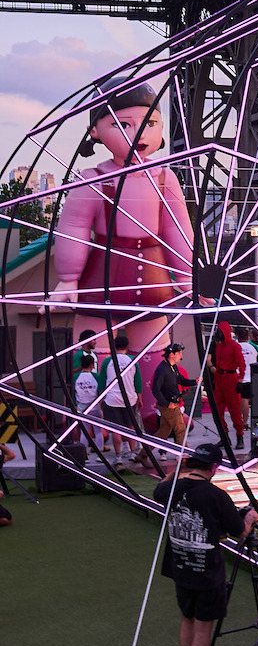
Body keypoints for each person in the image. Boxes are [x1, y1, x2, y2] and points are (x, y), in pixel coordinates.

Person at [51, 82, 195, 420]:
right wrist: (69, 278)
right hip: (102, 272)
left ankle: (152, 416)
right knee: (97, 351)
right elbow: (72, 228)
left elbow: (177, 229)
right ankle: (102, 421)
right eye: (123, 125)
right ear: (95, 132)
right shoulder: (92, 178)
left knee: (154, 353)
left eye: (150, 124)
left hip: (154, 276)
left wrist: (188, 277)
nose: (138, 134)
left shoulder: (165, 178)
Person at [154, 441, 258, 646]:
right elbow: (239, 531)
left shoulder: (169, 488)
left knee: (187, 621)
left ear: (191, 463)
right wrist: (250, 518)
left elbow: (160, 488)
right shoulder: (215, 495)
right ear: (214, 467)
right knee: (203, 630)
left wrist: (178, 469)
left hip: (179, 565)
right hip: (206, 571)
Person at [97, 330, 147, 463]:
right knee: (131, 427)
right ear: (127, 346)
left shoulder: (108, 361)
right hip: (130, 398)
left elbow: (102, 381)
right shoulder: (132, 360)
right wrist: (140, 398)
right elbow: (138, 381)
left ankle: (118, 456)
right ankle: (132, 453)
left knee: (115, 430)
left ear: (114, 347)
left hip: (112, 399)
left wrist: (101, 398)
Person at [210, 317, 247, 449]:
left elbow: (241, 363)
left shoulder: (234, 346)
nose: (217, 333)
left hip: (231, 379)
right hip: (220, 379)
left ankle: (239, 435)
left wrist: (241, 379)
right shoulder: (219, 346)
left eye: (218, 330)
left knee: (235, 410)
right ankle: (224, 437)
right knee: (217, 411)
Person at [152, 342, 190, 449]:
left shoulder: (172, 367)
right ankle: (184, 455)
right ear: (172, 354)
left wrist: (194, 381)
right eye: (179, 353)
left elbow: (181, 380)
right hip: (169, 405)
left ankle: (143, 455)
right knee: (180, 429)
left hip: (172, 403)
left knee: (163, 432)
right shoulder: (162, 369)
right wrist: (167, 404)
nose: (181, 356)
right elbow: (155, 389)